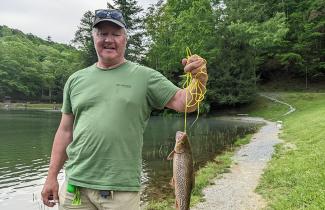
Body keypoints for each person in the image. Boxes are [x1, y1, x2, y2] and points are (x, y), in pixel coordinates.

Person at [41, 9, 208, 210]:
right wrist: (51, 177)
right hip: (75, 185)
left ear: (125, 39)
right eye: (102, 33)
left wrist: (200, 78)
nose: (108, 39)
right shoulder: (75, 80)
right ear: (94, 37)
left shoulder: (145, 77)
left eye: (115, 34)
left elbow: (185, 103)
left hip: (121, 190)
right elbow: (65, 131)